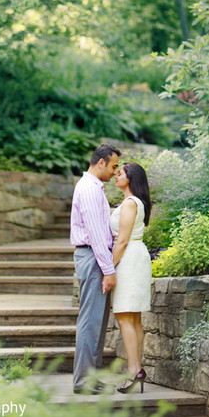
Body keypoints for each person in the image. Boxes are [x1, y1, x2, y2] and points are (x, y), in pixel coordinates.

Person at [70, 143, 121, 394]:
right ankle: (83, 382)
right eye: (113, 166)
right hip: (92, 257)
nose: (114, 172)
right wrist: (108, 269)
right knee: (90, 321)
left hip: (94, 257)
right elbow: (97, 234)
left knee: (97, 322)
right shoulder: (89, 189)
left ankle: (91, 377)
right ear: (100, 162)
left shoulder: (94, 187)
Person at [107, 161, 152, 394]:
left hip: (129, 259)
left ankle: (133, 372)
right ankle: (137, 370)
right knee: (133, 319)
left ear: (131, 178)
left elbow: (122, 241)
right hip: (136, 256)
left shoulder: (129, 203)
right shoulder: (136, 202)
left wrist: (108, 269)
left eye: (120, 173)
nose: (116, 175)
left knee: (125, 317)